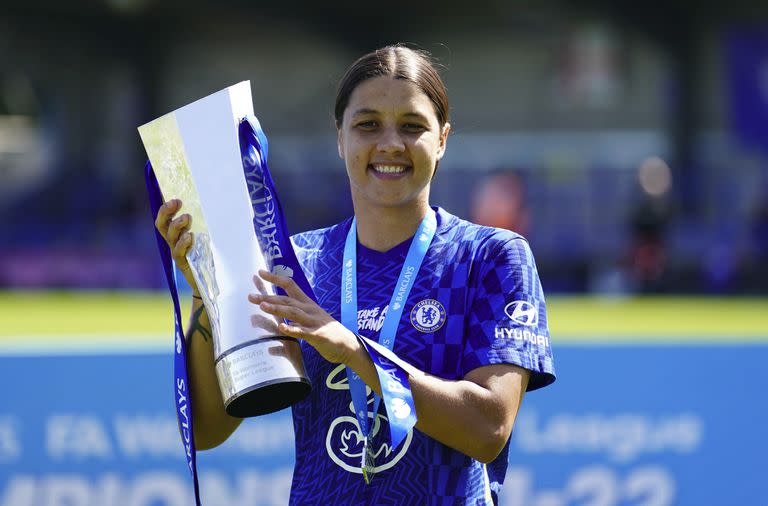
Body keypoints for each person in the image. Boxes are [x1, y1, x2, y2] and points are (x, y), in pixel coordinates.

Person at [155, 44, 555, 505]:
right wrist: (208, 288)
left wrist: (352, 350)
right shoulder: (293, 264)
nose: (389, 144)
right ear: (340, 137)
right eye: (367, 125)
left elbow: (489, 429)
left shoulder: (489, 257)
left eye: (412, 126)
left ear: (442, 139)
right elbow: (207, 429)